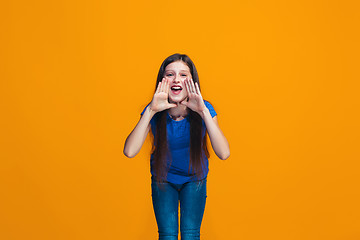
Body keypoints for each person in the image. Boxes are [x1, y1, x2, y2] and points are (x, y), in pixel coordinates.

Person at [123, 53, 230, 240]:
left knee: (190, 235)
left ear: (192, 81)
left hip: (194, 179)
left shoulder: (205, 108)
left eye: (183, 75)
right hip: (163, 179)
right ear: (162, 81)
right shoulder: (154, 109)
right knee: (167, 236)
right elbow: (129, 151)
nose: (176, 79)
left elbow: (224, 153)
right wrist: (151, 110)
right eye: (170, 74)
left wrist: (203, 111)